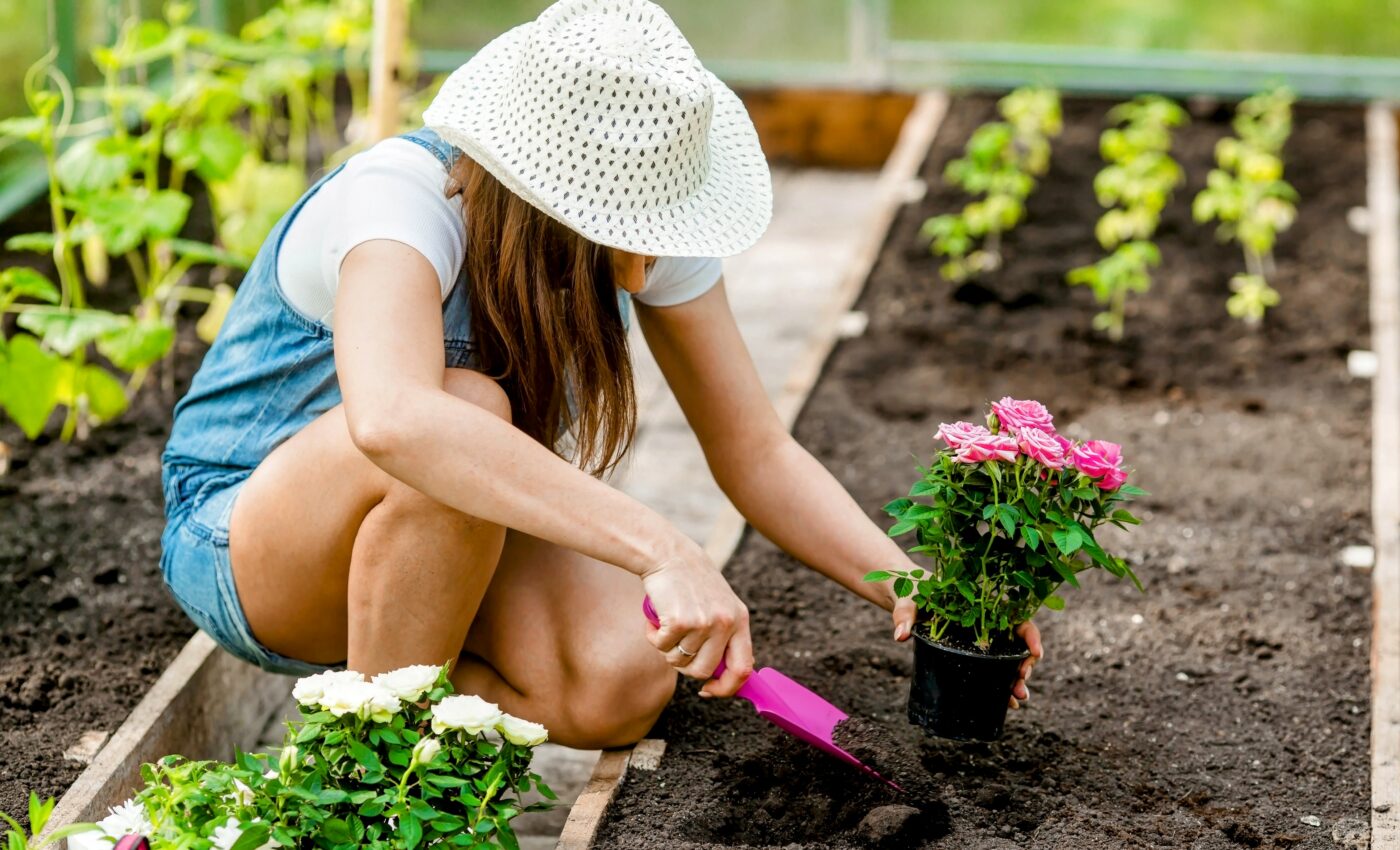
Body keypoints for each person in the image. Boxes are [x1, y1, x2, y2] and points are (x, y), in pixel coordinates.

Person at [159, 0, 1042, 749]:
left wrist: (913, 589)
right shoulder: (401, 202)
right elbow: (393, 421)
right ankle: (369, 779)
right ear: (546, 201)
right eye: (621, 228)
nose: (640, 269)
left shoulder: (652, 236)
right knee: (459, 409)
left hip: (440, 541)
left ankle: (393, 685)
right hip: (250, 542)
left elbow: (755, 448)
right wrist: (665, 548)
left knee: (620, 681)